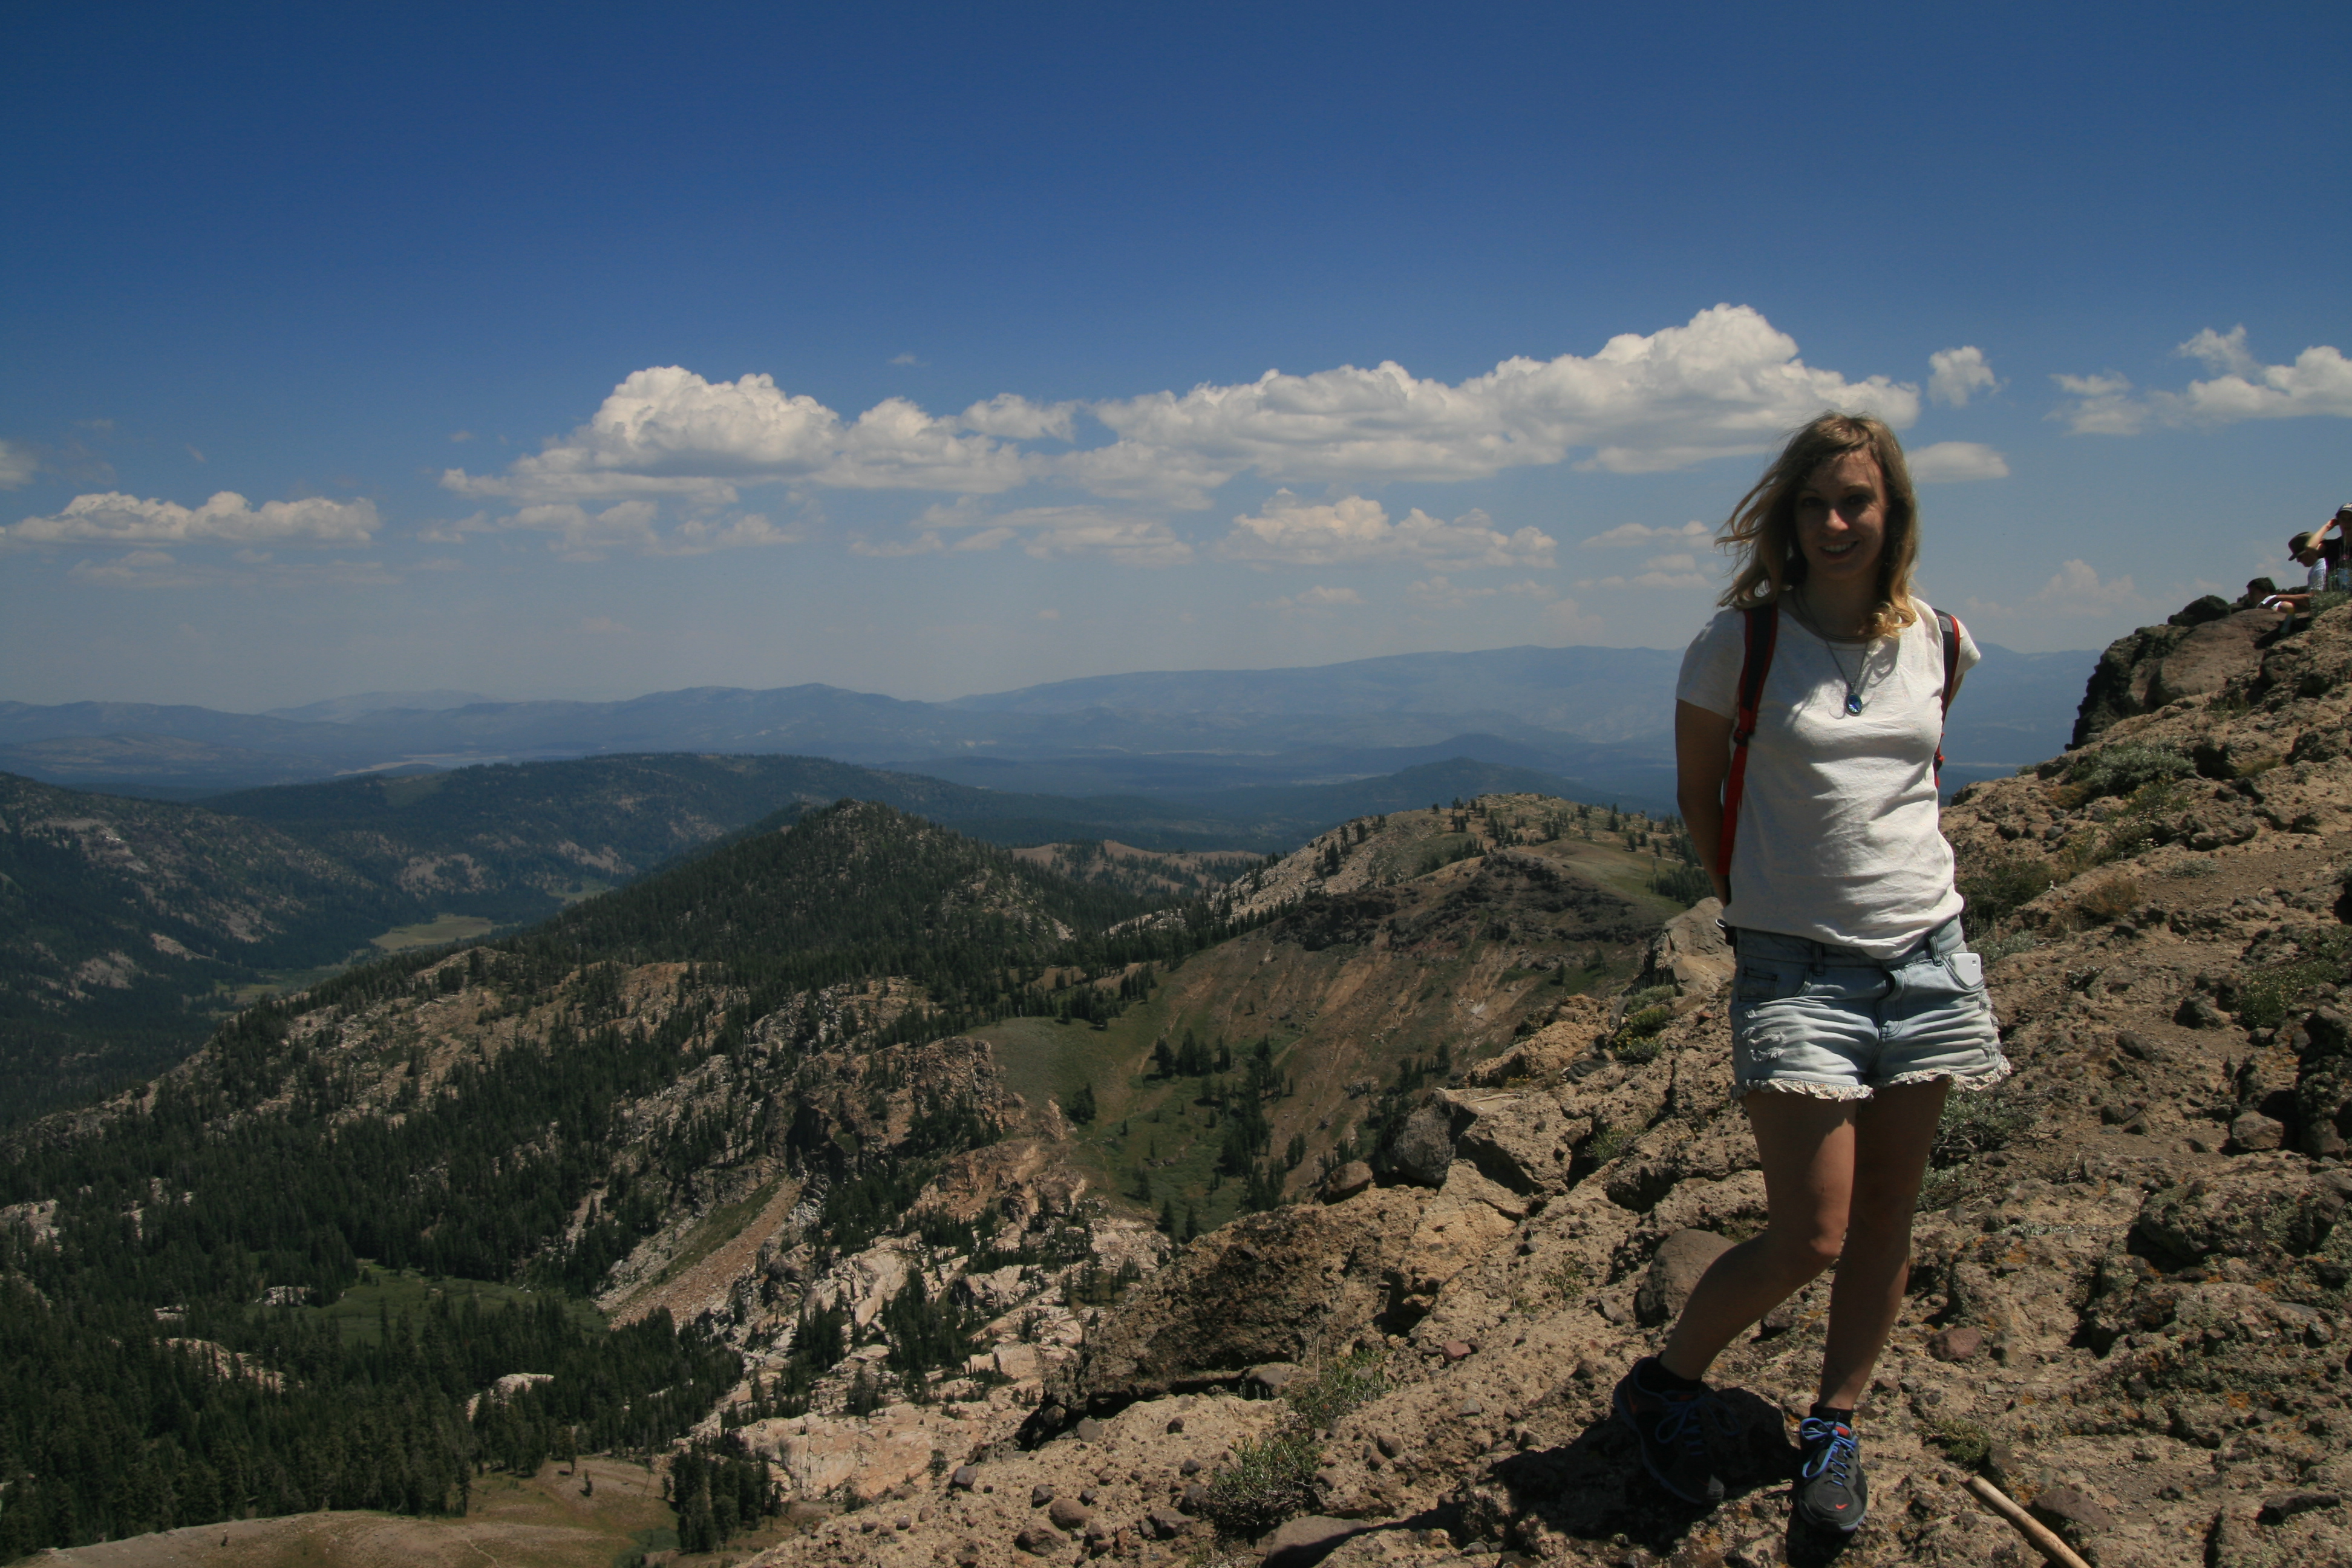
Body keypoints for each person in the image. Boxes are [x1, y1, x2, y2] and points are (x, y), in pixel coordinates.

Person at [1611, 412, 2008, 1536]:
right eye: (1815, 504)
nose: (1836, 523)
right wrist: (1758, 906)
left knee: (1889, 1212)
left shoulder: (1943, 640)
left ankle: (1837, 1423)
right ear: (1786, 519)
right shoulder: (1737, 645)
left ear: (1894, 512)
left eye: (1857, 502)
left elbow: (1914, 779)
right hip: (1795, 969)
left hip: (1927, 954)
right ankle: (1664, 1385)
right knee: (1814, 1232)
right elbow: (1699, 795)